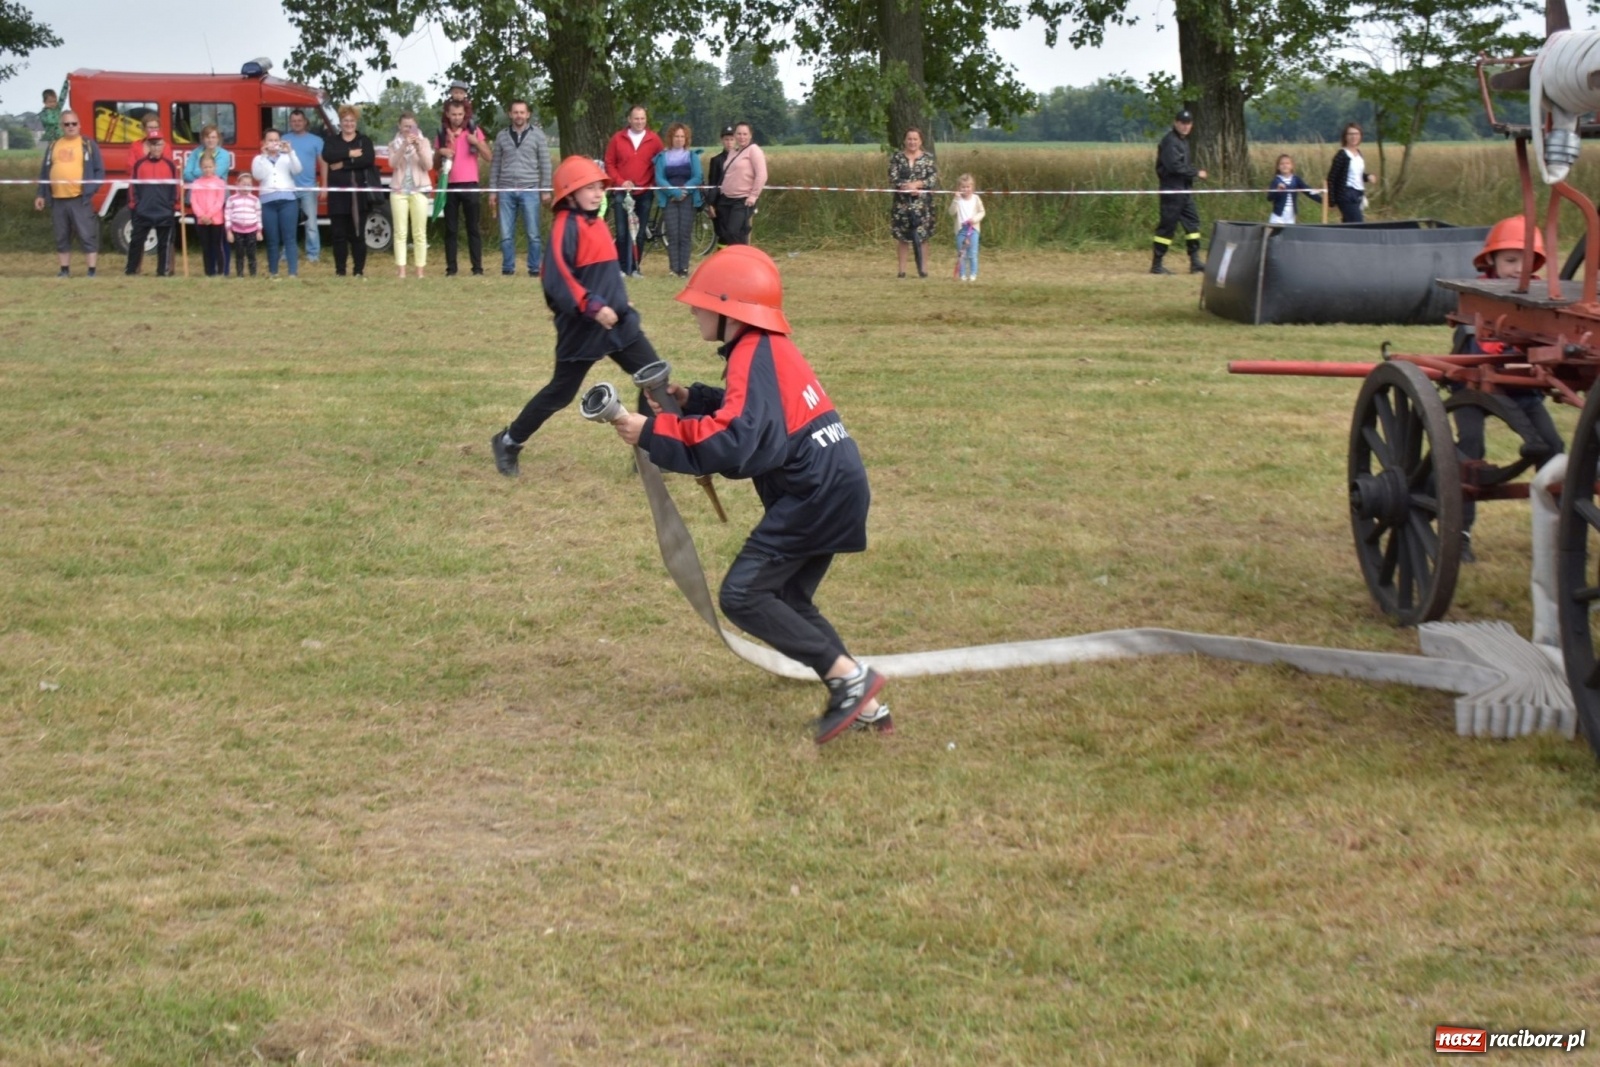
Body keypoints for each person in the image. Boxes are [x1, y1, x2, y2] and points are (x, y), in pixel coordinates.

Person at [611, 246, 892, 744]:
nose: (693, 310)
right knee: (785, 595)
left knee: (743, 594)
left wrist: (651, 434)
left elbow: (739, 440)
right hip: (836, 482)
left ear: (729, 309)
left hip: (815, 494)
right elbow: (760, 416)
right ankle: (862, 698)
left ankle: (850, 680)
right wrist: (692, 400)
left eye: (700, 303)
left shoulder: (753, 353)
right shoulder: (764, 349)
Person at [490, 156, 661, 477]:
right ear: (569, 194)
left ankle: (649, 455)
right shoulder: (564, 227)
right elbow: (558, 281)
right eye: (589, 188)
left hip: (618, 323)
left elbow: (602, 273)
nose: (598, 194)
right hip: (582, 328)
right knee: (560, 393)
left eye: (600, 187)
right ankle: (509, 442)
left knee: (652, 377)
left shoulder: (595, 223)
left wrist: (618, 299)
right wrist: (595, 307)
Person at [1450, 216, 1563, 562]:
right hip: (1473, 389)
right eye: (1511, 260)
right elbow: (1485, 350)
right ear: (1491, 263)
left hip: (1521, 390)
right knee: (1470, 452)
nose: (1519, 270)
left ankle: (1563, 533)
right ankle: (1460, 533)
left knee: (1554, 449)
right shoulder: (1478, 298)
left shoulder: (1544, 298)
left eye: (1527, 261)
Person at [33, 109, 103, 277]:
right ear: (61, 126)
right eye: (66, 124)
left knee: (87, 235)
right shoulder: (53, 146)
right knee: (61, 236)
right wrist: (40, 194)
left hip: (80, 199)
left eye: (73, 123)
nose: (70, 127)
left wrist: (91, 189)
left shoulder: (87, 145)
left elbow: (99, 171)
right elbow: (44, 172)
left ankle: (91, 271)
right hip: (58, 199)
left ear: (79, 125)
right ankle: (64, 270)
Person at [490, 99, 552, 277]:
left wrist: (545, 189)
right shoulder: (502, 136)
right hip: (506, 189)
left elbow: (545, 163)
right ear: (510, 114)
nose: (519, 115)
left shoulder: (538, 135)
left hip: (530, 189)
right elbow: (495, 165)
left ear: (528, 114)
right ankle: (508, 268)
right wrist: (493, 191)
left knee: (533, 233)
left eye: (522, 112)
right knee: (506, 234)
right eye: (515, 112)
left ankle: (534, 268)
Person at [604, 105, 664, 275]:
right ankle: (621, 268)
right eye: (636, 118)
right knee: (622, 233)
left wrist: (652, 182)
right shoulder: (617, 138)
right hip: (622, 193)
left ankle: (636, 268)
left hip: (644, 193)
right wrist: (621, 182)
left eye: (642, 118)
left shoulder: (654, 140)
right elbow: (609, 163)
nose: (639, 122)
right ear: (629, 119)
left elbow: (660, 163)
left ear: (646, 120)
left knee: (638, 234)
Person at [437, 98, 491, 276]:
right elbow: (434, 163)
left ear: (465, 115)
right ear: (447, 114)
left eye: (460, 114)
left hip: (470, 184)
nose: (457, 118)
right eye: (453, 114)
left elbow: (489, 157)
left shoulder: (474, 130)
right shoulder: (441, 133)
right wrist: (441, 152)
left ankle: (477, 268)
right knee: (450, 229)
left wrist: (476, 142)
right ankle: (451, 269)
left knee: (472, 228)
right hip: (449, 184)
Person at [323, 104, 377, 277]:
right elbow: (328, 155)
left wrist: (343, 164)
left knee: (357, 234)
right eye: (345, 120)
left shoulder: (364, 141)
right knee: (338, 235)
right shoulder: (332, 141)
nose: (348, 124)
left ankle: (358, 270)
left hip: (358, 196)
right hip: (337, 196)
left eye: (351, 121)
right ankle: (340, 271)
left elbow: (367, 160)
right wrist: (350, 153)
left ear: (356, 122)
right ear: (340, 122)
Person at [1151, 108, 1207, 275]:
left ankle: (1195, 261)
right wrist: (1196, 173)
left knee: (1193, 224)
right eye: (1182, 123)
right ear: (1175, 123)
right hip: (1172, 191)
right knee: (1167, 228)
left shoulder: (1183, 141)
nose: (1185, 126)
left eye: (1188, 123)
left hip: (1184, 192)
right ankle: (1157, 264)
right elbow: (1174, 167)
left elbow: (1184, 165)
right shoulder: (1170, 141)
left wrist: (1191, 173)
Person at [387, 111, 434, 279]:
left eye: (411, 126)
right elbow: (392, 163)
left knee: (419, 232)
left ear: (416, 126)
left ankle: (420, 271)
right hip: (399, 190)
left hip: (419, 190)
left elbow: (428, 166)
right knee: (400, 232)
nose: (408, 129)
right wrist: (402, 147)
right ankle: (401, 271)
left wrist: (417, 148)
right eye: (405, 126)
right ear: (399, 126)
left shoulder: (424, 142)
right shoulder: (393, 144)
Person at [183, 124, 235, 274]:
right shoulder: (195, 153)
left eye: (213, 137)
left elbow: (217, 173)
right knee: (205, 241)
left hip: (218, 202)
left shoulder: (224, 154)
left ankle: (223, 270)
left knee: (220, 240)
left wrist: (199, 174)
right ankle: (209, 271)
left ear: (218, 139)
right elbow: (187, 173)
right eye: (207, 137)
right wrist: (202, 177)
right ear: (203, 139)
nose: (210, 140)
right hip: (199, 201)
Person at [654, 121, 703, 278]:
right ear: (671, 138)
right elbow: (659, 179)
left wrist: (684, 190)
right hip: (670, 200)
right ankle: (673, 269)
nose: (679, 139)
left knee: (684, 234)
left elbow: (697, 177)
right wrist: (674, 192)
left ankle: (684, 269)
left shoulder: (692, 156)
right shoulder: (662, 157)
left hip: (688, 199)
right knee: (673, 234)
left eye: (682, 136)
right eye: (676, 136)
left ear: (686, 138)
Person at [125, 133, 179, 276]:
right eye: (153, 144)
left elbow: (176, 188)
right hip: (143, 210)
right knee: (136, 241)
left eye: (158, 144)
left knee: (164, 244)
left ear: (163, 146)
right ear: (148, 146)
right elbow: (133, 187)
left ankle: (163, 271)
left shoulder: (170, 165)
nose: (156, 148)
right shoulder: (139, 164)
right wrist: (135, 204)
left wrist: (173, 205)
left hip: (164, 211)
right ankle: (131, 270)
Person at [252, 127, 302, 278]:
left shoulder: (287, 157)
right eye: (270, 140)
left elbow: (298, 170)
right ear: (264, 142)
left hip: (288, 201)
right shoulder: (258, 159)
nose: (273, 143)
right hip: (268, 202)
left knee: (290, 238)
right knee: (272, 239)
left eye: (276, 140)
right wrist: (263, 156)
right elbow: (257, 175)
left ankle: (292, 272)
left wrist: (290, 152)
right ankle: (273, 271)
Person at [889, 127, 937, 277]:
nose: (912, 142)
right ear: (905, 140)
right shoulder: (897, 158)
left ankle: (923, 270)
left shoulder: (928, 158)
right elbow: (893, 177)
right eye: (909, 139)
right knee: (903, 238)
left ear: (920, 141)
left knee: (923, 237)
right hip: (902, 205)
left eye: (915, 139)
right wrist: (907, 187)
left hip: (923, 205)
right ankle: (902, 271)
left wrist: (918, 185)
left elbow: (932, 178)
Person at [283, 108, 325, 262]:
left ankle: (313, 254)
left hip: (309, 188)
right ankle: (287, 253)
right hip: (288, 188)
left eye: (299, 120)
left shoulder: (316, 140)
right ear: (290, 122)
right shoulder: (284, 140)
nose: (297, 123)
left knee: (311, 224)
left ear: (305, 122)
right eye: (294, 121)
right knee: (288, 223)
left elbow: (323, 164)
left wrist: (324, 186)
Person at [716, 121, 767, 249]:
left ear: (750, 135)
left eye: (745, 134)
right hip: (726, 198)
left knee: (734, 232)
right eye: (739, 133)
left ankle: (741, 261)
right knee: (726, 233)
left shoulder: (754, 150)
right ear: (735, 135)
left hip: (742, 199)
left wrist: (753, 195)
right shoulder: (734, 151)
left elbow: (762, 175)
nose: (742, 137)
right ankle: (731, 262)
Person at [1327, 122, 1377, 224]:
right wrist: (1332, 202)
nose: (1354, 137)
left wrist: (1367, 177)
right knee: (1357, 223)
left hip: (1358, 193)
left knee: (1348, 224)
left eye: (1356, 134)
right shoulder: (1342, 155)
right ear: (1345, 137)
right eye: (1350, 134)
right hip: (1346, 194)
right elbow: (1332, 178)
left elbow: (1357, 175)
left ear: (1360, 136)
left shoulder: (1359, 153)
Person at [190, 152, 228, 277]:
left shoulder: (220, 183)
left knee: (217, 245)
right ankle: (208, 272)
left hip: (216, 219)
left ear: (215, 167)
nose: (208, 169)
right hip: (202, 221)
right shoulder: (196, 183)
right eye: (205, 167)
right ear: (201, 168)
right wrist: (202, 216)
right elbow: (193, 201)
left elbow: (220, 201)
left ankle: (221, 271)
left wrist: (210, 215)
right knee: (205, 247)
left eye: (210, 167)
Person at [948, 172, 984, 282]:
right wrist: (955, 200)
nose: (966, 189)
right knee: (961, 253)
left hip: (973, 229)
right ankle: (962, 274)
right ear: (959, 188)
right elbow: (951, 212)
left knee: (972, 253)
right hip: (961, 230)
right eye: (963, 187)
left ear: (972, 187)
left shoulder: (976, 198)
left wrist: (974, 220)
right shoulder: (958, 200)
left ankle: (973, 274)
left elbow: (982, 212)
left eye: (968, 187)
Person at [1267, 153, 1321, 225]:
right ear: (1278, 167)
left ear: (1292, 166)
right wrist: (1277, 190)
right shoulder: (1276, 181)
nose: (1285, 166)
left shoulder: (1296, 179)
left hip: (1291, 217)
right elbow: (1269, 198)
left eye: (1287, 163)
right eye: (1282, 164)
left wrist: (1323, 201)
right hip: (1277, 216)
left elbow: (1308, 191)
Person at [704, 125, 736, 244]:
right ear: (722, 140)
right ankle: (721, 259)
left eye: (732, 139)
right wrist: (711, 204)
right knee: (723, 234)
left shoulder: (742, 159)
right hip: (721, 202)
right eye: (726, 139)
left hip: (737, 201)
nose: (729, 143)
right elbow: (713, 183)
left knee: (736, 233)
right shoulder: (716, 160)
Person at [225, 172, 261, 276]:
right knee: (239, 254)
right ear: (237, 184)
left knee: (251, 254)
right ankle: (239, 274)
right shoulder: (231, 199)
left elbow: (258, 216)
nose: (246, 187)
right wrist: (229, 231)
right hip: (237, 231)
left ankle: (253, 274)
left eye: (249, 185)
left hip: (252, 231)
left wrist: (259, 231)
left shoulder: (255, 200)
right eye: (243, 184)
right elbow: (228, 215)